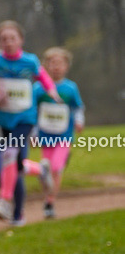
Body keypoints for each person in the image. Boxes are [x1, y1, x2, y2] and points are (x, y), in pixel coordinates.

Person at [0, 21, 60, 223]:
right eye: (4, 39)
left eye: (12, 38)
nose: (9, 42)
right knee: (16, 166)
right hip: (5, 120)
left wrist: (51, 90)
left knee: (10, 153)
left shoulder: (30, 61)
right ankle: (41, 170)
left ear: (21, 40)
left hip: (25, 118)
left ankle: (5, 202)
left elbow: (43, 77)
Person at [23, 47, 85, 218]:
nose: (56, 67)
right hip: (45, 135)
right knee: (47, 170)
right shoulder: (38, 88)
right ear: (45, 66)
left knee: (56, 168)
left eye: (60, 63)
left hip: (64, 135)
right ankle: (49, 201)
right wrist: (33, 133)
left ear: (66, 66)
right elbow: (32, 111)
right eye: (52, 63)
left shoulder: (70, 88)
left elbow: (77, 107)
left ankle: (50, 201)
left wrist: (79, 121)